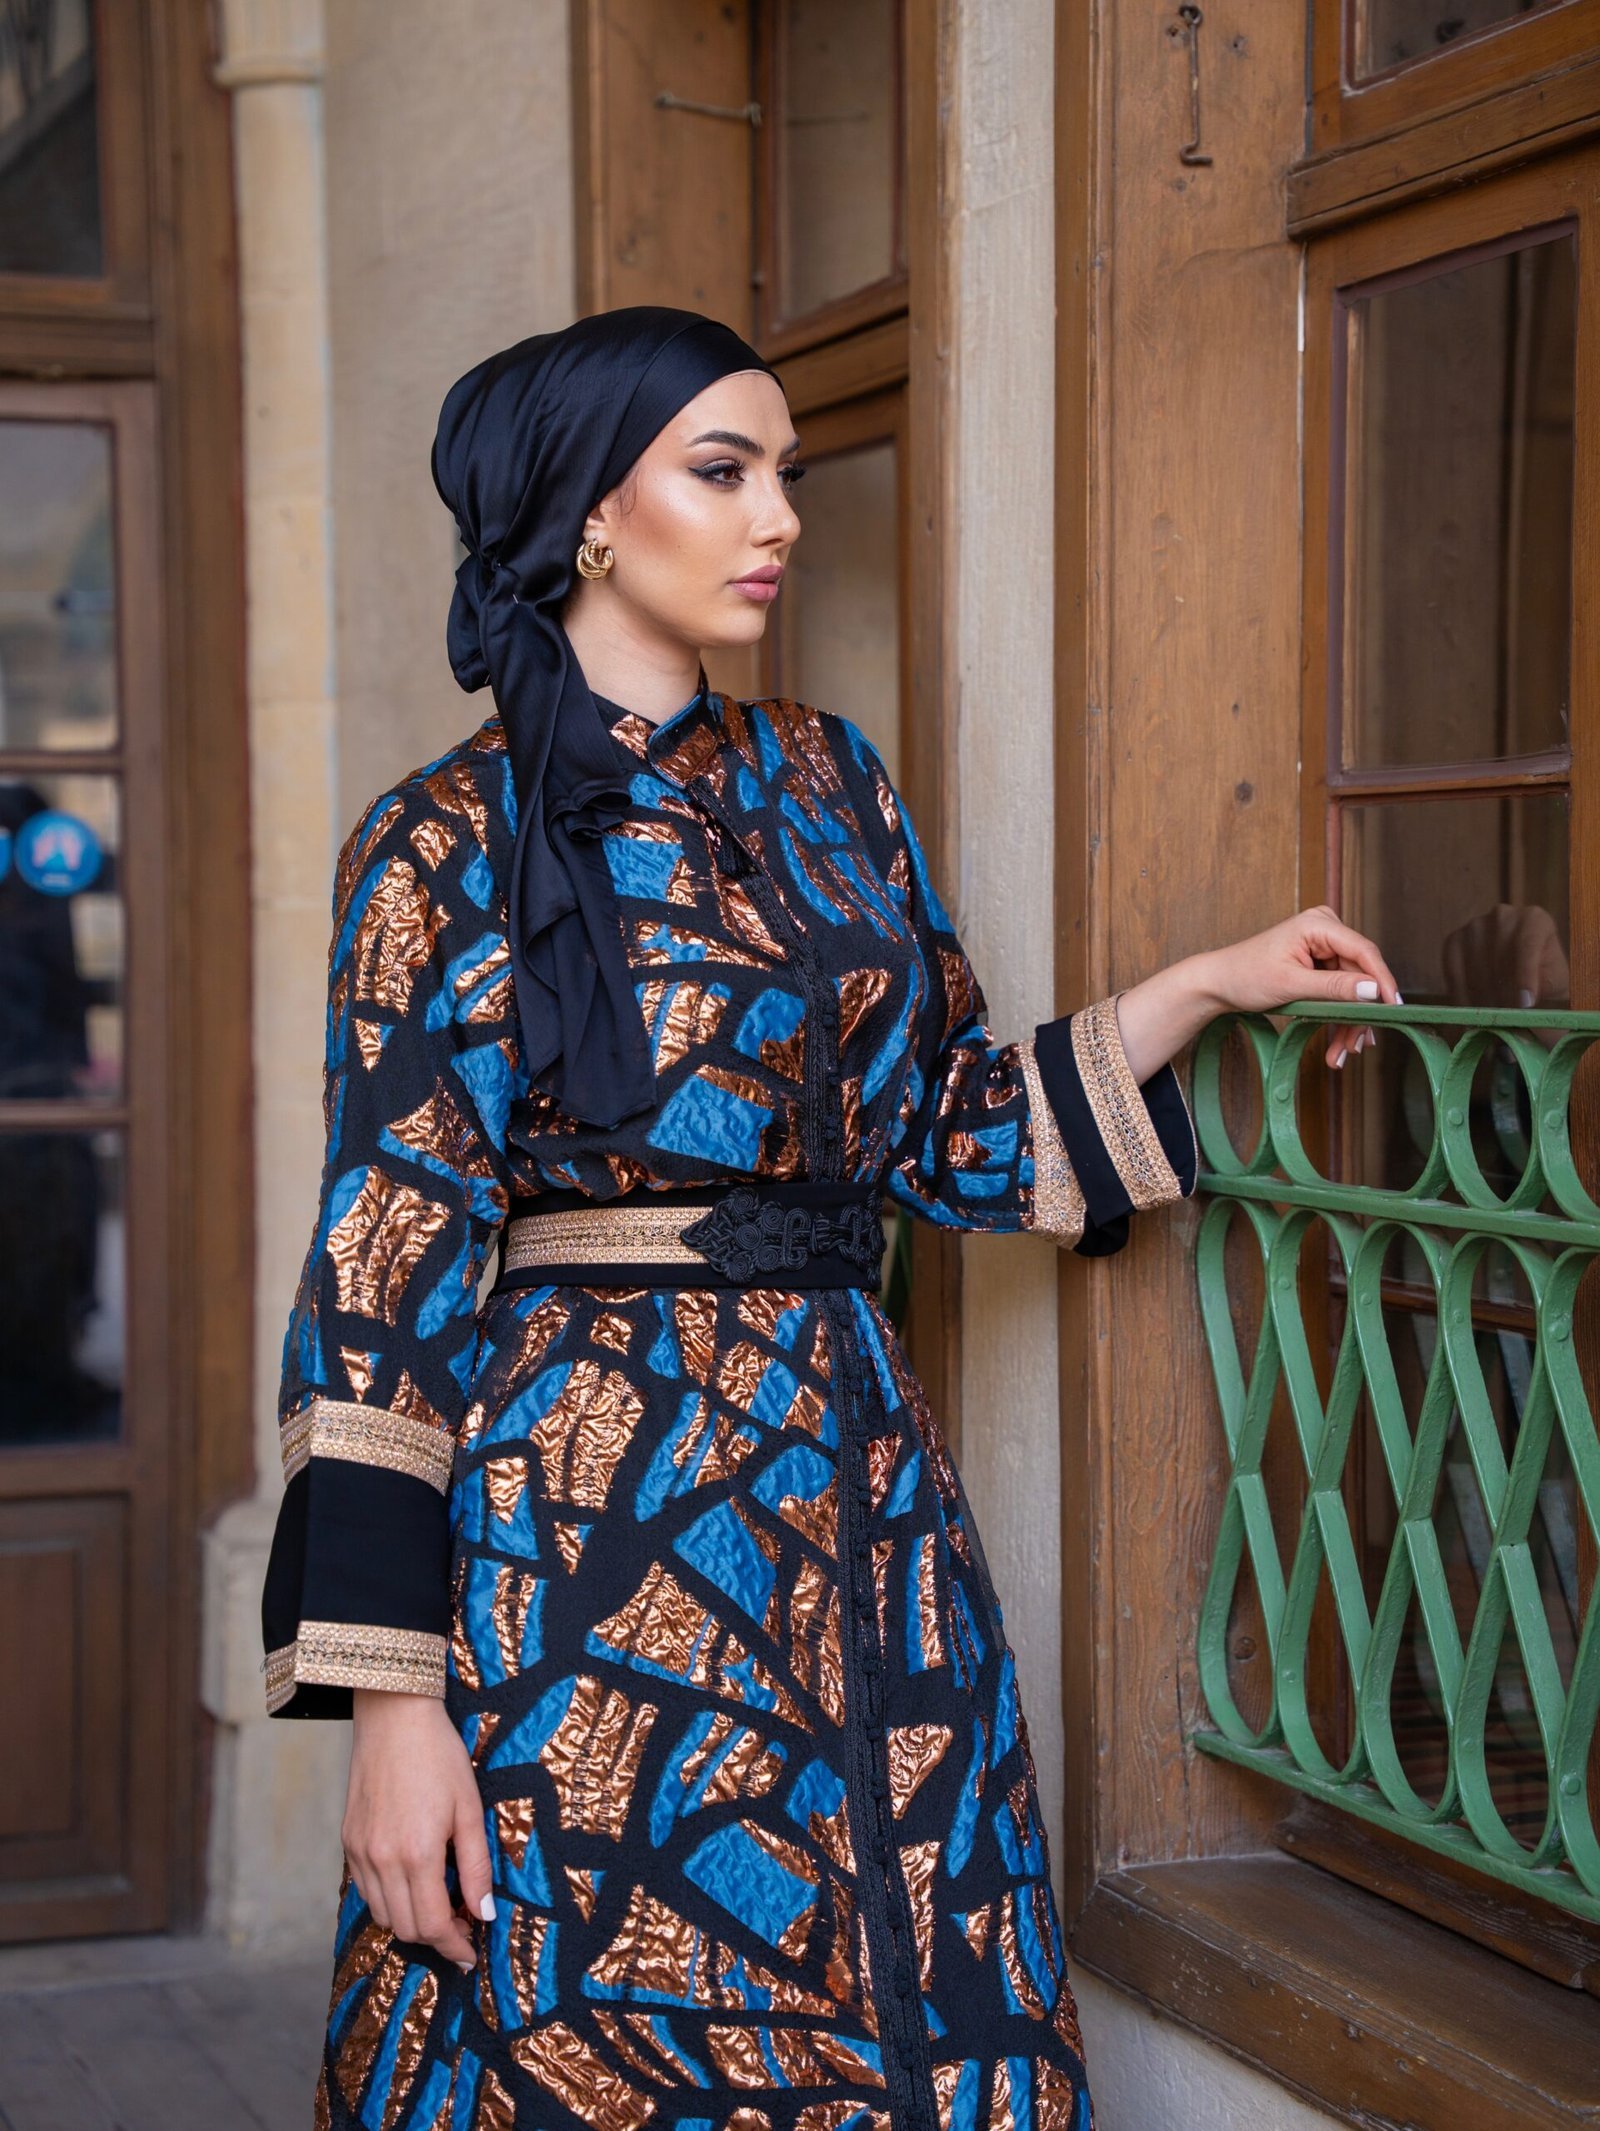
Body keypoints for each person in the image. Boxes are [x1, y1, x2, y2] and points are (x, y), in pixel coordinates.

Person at [260, 306, 1399, 2131]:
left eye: (783, 471)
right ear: (591, 515)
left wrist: (1204, 986)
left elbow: (948, 1131)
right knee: (604, 2017)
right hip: (591, 1545)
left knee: (920, 1976)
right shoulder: (439, 841)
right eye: (724, 471)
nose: (780, 513)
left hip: (863, 1505)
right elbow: (383, 1273)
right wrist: (395, 1720)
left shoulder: (832, 784)